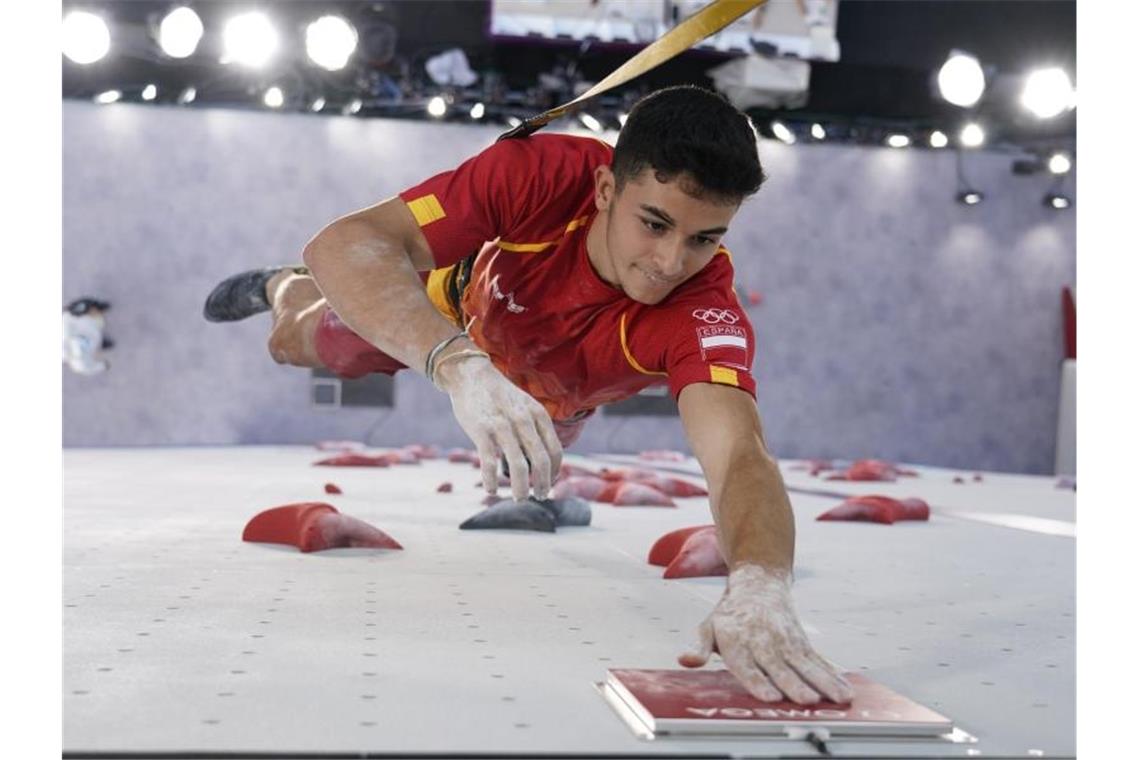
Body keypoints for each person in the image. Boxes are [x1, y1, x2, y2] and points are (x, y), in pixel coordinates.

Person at [204, 85, 853, 706]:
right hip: (462, 312)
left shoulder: (705, 310)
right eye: (653, 223)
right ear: (605, 189)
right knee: (300, 343)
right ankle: (280, 289)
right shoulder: (538, 175)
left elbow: (741, 455)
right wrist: (456, 363)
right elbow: (343, 244)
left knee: (545, 450)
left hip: (562, 395)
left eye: (703, 239)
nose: (668, 262)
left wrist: (761, 584)